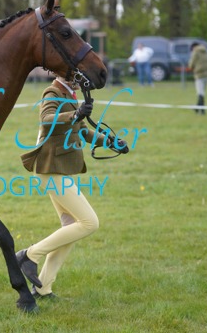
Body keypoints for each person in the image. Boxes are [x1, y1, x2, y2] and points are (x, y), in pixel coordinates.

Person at [16, 77, 129, 300]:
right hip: (50, 170)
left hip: (57, 168)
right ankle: (28, 256)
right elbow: (46, 119)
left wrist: (110, 142)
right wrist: (75, 114)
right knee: (89, 222)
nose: (83, 80)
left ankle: (43, 288)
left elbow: (82, 131)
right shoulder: (52, 92)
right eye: (78, 75)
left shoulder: (69, 95)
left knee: (70, 227)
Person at [188, 42, 207, 115]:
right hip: (206, 73)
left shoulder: (196, 52)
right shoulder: (205, 51)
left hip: (199, 74)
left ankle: (201, 110)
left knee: (200, 93)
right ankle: (198, 109)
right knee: (202, 92)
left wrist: (190, 67)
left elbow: (191, 63)